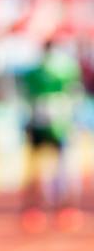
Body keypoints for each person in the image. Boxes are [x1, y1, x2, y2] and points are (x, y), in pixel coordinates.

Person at [21, 40, 84, 232]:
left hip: (54, 126)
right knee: (47, 169)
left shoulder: (43, 73)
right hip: (49, 125)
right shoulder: (58, 72)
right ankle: (40, 209)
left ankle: (59, 209)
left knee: (56, 169)